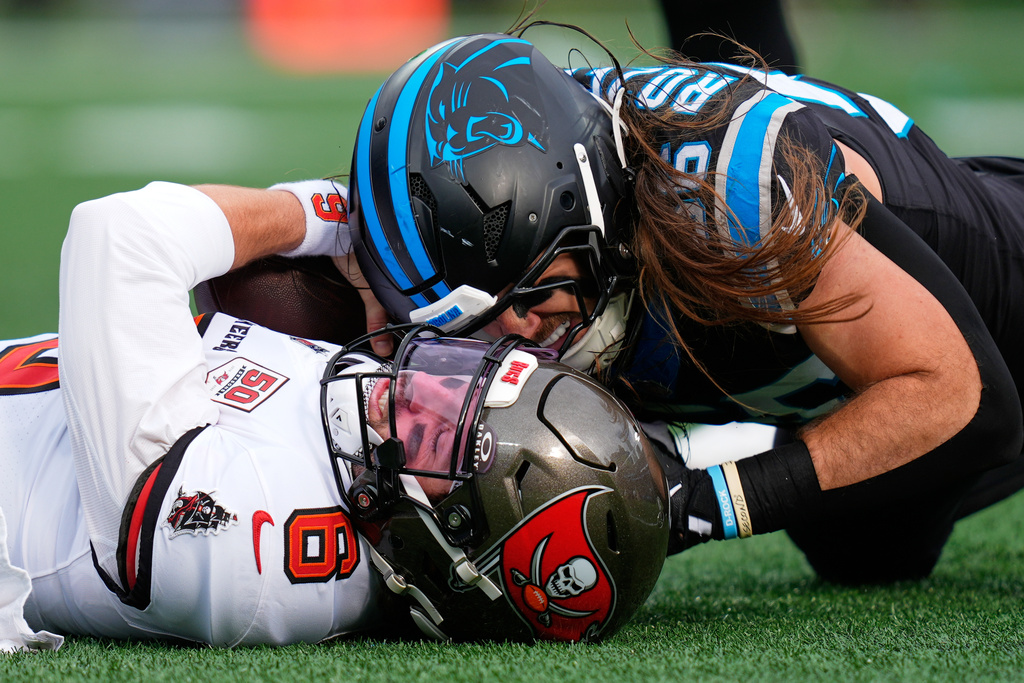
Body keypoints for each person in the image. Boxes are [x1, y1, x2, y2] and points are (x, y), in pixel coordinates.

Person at [338, 31, 1024, 585]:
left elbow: (968, 400)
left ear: (590, 204)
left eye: (528, 296)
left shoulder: (732, 194)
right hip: (835, 356)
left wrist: (695, 503)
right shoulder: (543, 157)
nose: (509, 337)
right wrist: (321, 230)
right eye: (471, 319)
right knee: (861, 549)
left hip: (990, 317)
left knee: (860, 542)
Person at [0, 181, 669, 651]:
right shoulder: (366, 442)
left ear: (454, 552)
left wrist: (335, 211)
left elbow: (119, 233)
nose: (414, 390)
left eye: (439, 430)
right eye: (459, 379)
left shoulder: (252, 551)